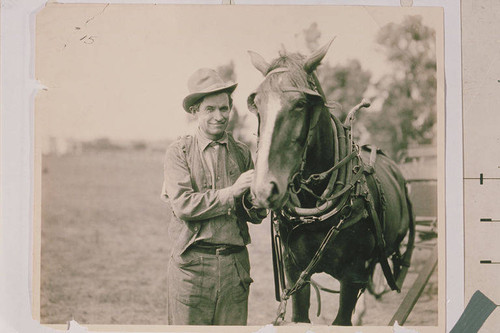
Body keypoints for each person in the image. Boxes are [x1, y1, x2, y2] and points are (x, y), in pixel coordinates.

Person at [162, 68, 267, 325]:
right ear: (195, 111)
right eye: (210, 109)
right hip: (191, 269)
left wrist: (259, 201)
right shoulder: (179, 152)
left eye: (224, 108)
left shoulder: (242, 153)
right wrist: (232, 192)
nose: (219, 117)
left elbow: (252, 214)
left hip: (235, 269)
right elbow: (185, 206)